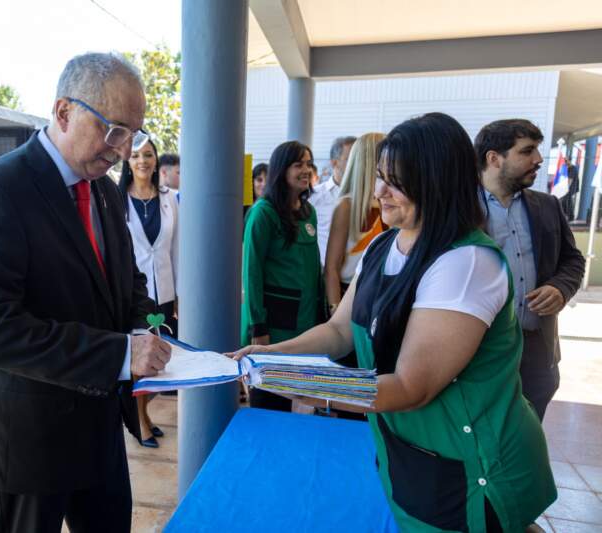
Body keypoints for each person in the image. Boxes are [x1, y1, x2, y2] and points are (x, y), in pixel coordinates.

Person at [233, 112, 556, 532]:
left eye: (395, 182)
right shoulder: (383, 245)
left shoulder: (466, 263)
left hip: (477, 463)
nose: (379, 191)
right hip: (417, 452)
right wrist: (268, 354)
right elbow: (338, 330)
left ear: (437, 183)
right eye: (380, 176)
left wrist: (286, 380)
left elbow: (409, 386)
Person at [0, 52, 171, 533]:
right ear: (64, 112)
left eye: (134, 134)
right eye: (114, 130)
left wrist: (150, 328)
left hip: (100, 425)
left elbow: (127, 284)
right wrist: (119, 354)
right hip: (27, 435)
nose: (124, 148)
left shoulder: (107, 191)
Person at [475, 119, 585, 421]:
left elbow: (572, 260)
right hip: (479, 350)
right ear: (494, 158)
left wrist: (560, 288)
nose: (538, 160)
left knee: (528, 436)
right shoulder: (458, 210)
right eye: (527, 151)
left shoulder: (548, 206)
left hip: (537, 351)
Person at [241, 141, 325, 412]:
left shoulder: (307, 211)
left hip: (306, 321)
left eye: (309, 163)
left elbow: (313, 267)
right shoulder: (262, 213)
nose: (306, 169)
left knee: (302, 400)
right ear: (281, 169)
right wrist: (259, 328)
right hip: (273, 326)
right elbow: (251, 273)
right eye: (298, 164)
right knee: (269, 402)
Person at [119, 139, 179, 448]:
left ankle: (145, 414)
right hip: (134, 295)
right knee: (139, 361)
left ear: (157, 161)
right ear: (127, 162)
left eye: (148, 154)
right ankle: (139, 420)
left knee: (161, 358)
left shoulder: (170, 198)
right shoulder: (117, 200)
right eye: (135, 155)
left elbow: (177, 249)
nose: (142, 160)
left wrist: (180, 294)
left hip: (165, 292)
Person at [323, 132, 386, 311]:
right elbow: (331, 268)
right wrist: (334, 308)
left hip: (382, 294)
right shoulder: (347, 205)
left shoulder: (388, 203)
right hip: (351, 296)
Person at [309, 136, 356, 265]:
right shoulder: (314, 197)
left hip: (359, 279)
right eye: (352, 159)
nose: (358, 164)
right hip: (325, 276)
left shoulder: (372, 198)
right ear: (334, 163)